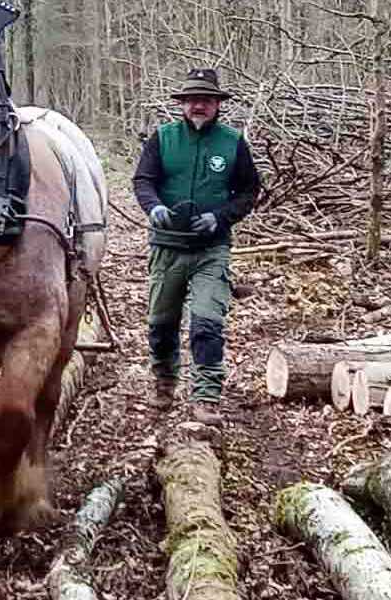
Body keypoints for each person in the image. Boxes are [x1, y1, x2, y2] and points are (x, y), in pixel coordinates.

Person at [132, 67, 260, 425]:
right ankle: (164, 382)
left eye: (205, 100)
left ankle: (206, 397)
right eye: (192, 100)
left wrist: (220, 217)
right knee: (161, 322)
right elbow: (143, 180)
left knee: (207, 322)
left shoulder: (233, 143)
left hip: (211, 248)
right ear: (182, 104)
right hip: (167, 247)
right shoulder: (163, 138)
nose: (198, 106)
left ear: (218, 104)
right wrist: (153, 206)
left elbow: (249, 192)